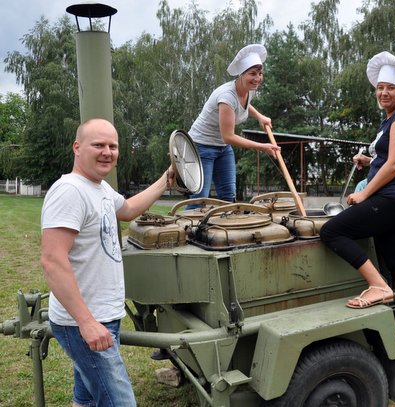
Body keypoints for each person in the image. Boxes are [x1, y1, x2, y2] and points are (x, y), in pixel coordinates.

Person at [40, 118, 175, 406]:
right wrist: (87, 323)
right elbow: (52, 260)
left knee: (87, 398)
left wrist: (166, 179)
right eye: (98, 145)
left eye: (113, 146)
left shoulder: (99, 188)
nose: (107, 152)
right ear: (77, 147)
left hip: (101, 318)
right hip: (84, 323)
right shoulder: (70, 191)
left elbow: (127, 209)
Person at [320, 51, 395, 352]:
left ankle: (378, 286)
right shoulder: (390, 120)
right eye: (380, 88)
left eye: (389, 87)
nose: (383, 92)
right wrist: (369, 160)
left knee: (332, 231)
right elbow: (387, 160)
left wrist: (365, 193)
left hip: (392, 197)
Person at [188, 43, 280, 203]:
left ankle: (225, 228)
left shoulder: (248, 90)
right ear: (241, 75)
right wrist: (261, 147)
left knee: (228, 197)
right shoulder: (227, 97)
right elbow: (228, 137)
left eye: (260, 73)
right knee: (199, 200)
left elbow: (243, 105)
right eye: (252, 74)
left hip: (222, 149)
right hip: (201, 146)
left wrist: (259, 116)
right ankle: (190, 228)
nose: (257, 78)